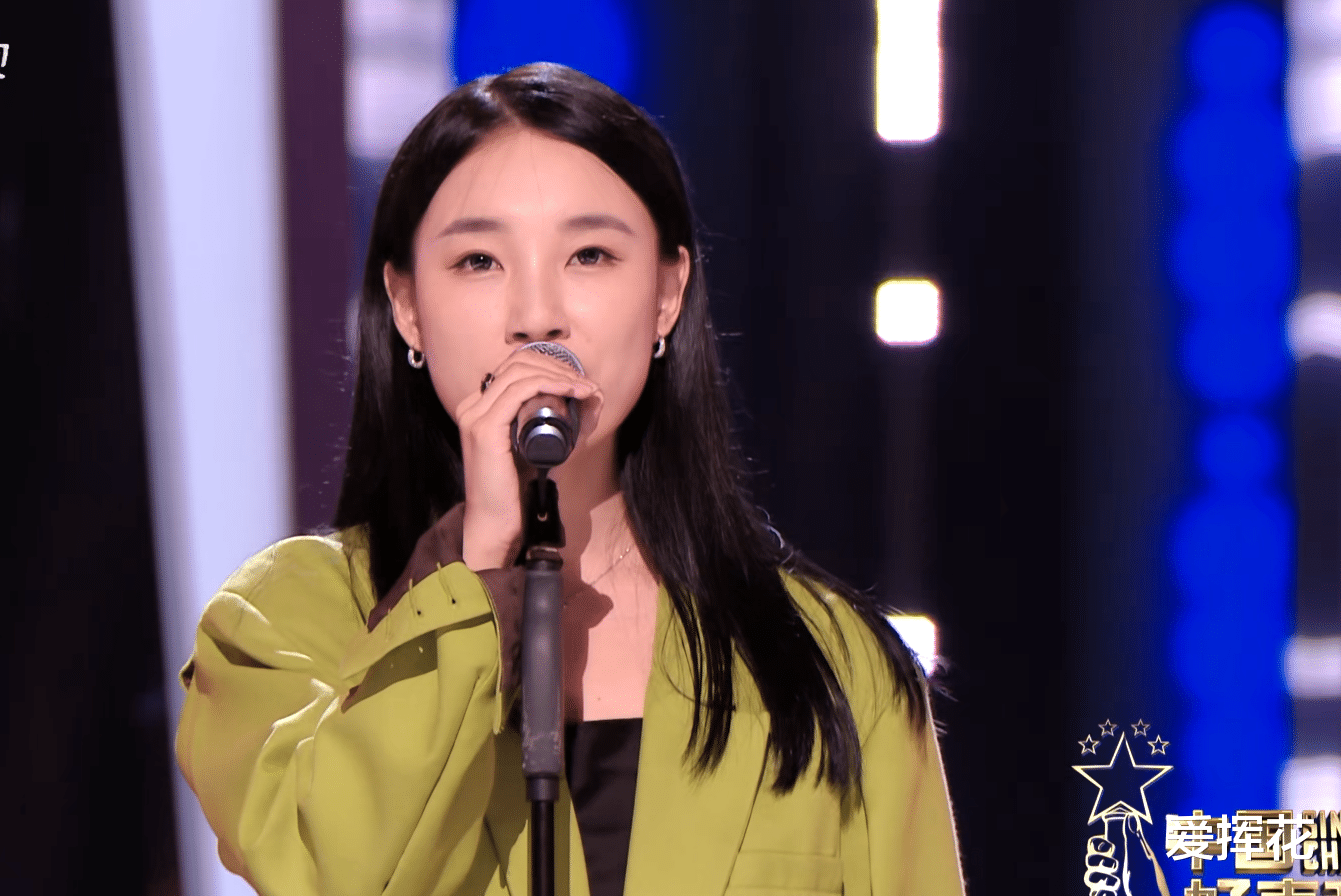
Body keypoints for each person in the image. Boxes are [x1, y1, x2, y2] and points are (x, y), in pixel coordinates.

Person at [175, 62, 964, 896]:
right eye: (479, 260)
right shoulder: (287, 621)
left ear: (666, 295)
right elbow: (330, 873)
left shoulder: (830, 659)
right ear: (406, 307)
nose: (536, 316)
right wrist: (477, 564)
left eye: (589, 255)